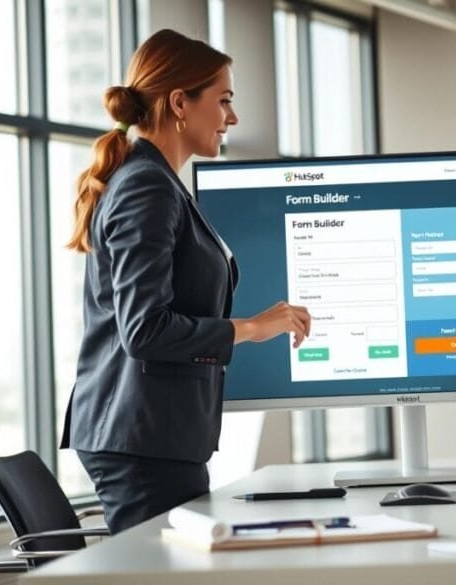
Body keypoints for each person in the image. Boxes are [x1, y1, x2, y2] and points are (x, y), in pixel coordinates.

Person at [59, 29, 312, 535]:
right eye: (223, 100)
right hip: (143, 442)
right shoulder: (146, 187)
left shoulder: (158, 183)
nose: (232, 118)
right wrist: (252, 328)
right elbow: (144, 330)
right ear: (180, 103)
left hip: (155, 439)